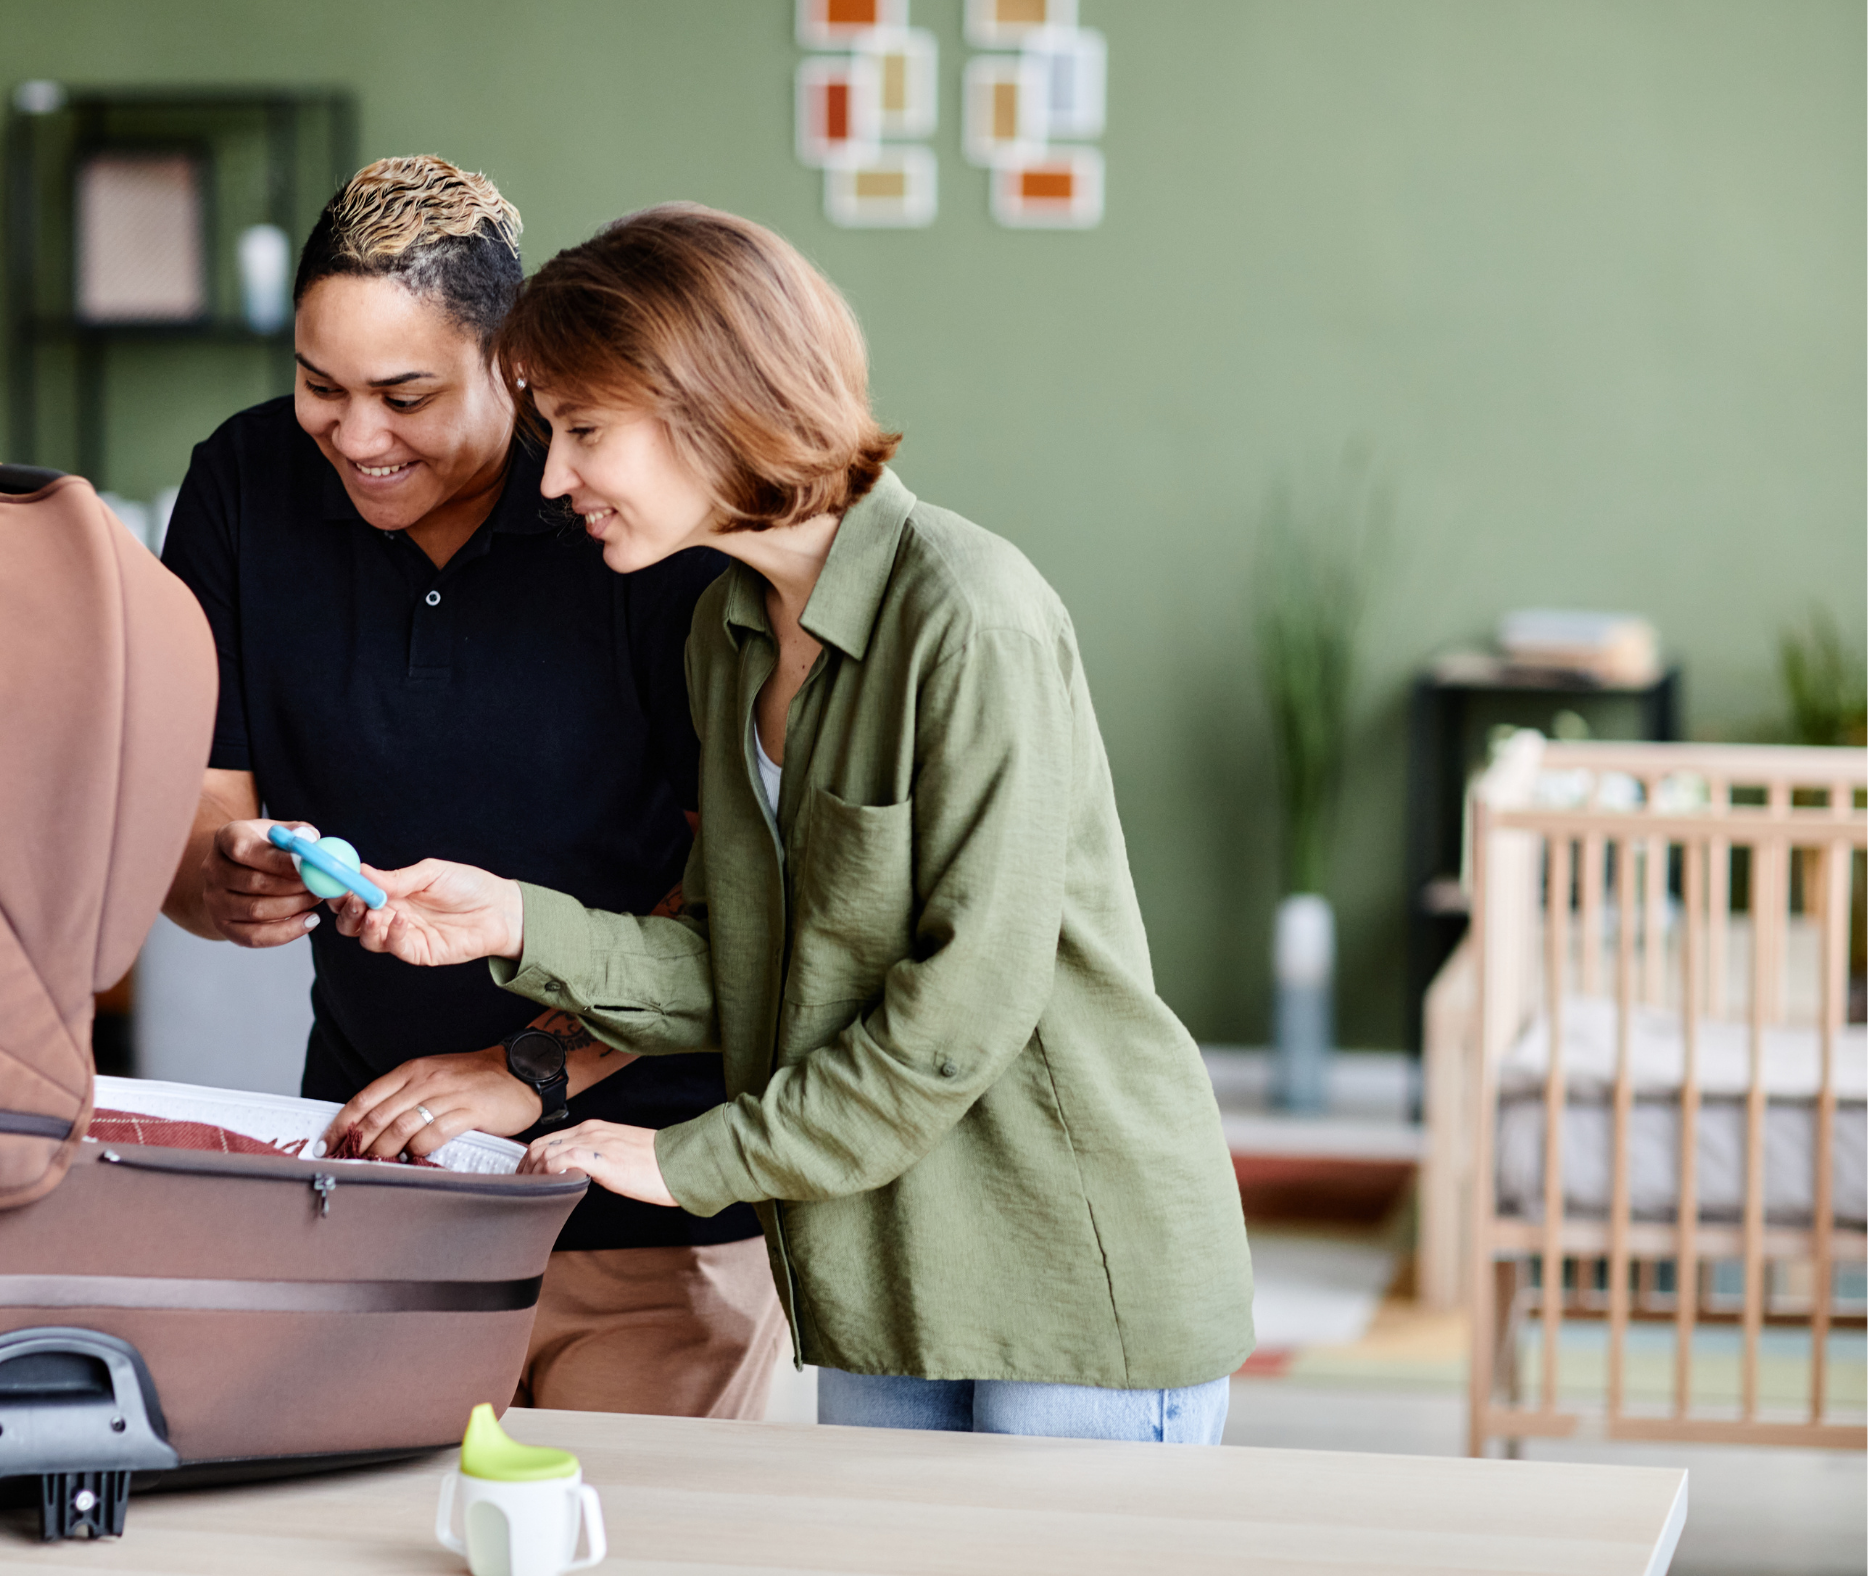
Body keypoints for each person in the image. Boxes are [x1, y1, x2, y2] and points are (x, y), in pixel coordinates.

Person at [335, 204, 1255, 1441]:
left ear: (710, 399)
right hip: (882, 1275)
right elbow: (741, 964)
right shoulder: (727, 636)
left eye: (586, 432)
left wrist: (685, 1160)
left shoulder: (973, 617)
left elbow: (957, 1016)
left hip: (1073, 1273)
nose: (553, 481)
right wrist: (509, 919)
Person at [159, 159, 785, 1419]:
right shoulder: (242, 486)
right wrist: (221, 876)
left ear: (516, 365)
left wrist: (529, 1068)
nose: (356, 435)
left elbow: (739, 900)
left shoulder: (630, 519)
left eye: (404, 394)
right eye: (318, 386)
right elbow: (188, 814)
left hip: (646, 1206)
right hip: (373, 1189)